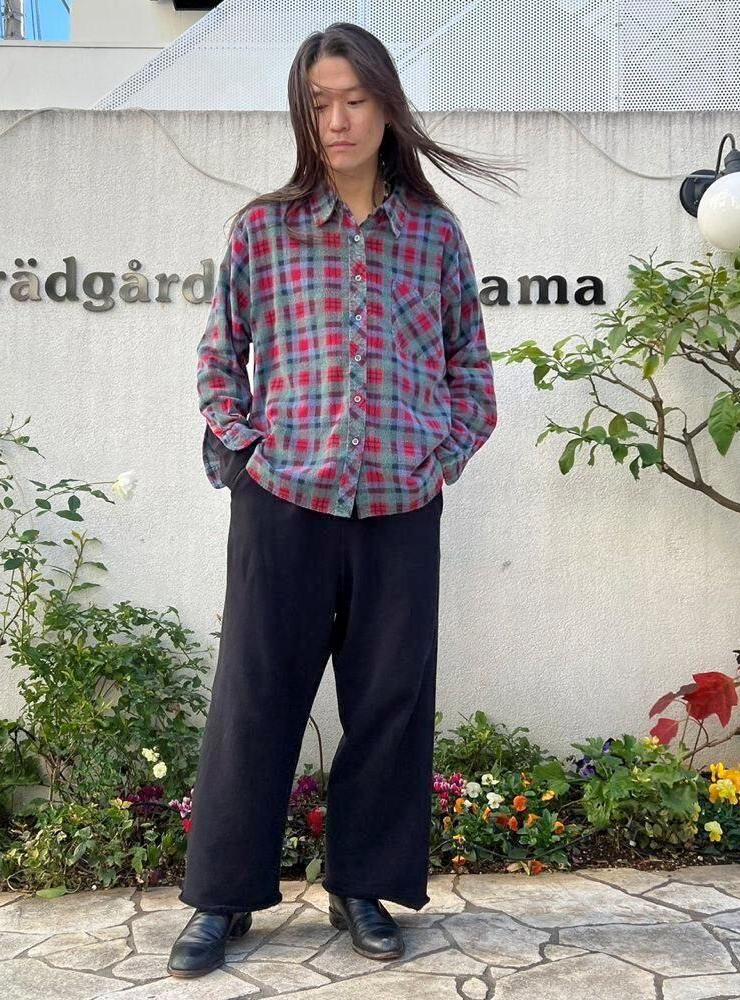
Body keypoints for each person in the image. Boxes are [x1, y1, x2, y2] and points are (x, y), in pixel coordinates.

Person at [168, 22, 521, 979]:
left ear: (386, 106)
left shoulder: (434, 235)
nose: (337, 120)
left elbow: (472, 372)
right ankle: (223, 897)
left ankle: (361, 885)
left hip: (400, 507)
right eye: (319, 103)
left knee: (390, 702)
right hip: (283, 501)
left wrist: (441, 457)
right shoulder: (264, 228)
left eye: (354, 100)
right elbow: (218, 358)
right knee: (256, 697)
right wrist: (248, 452)